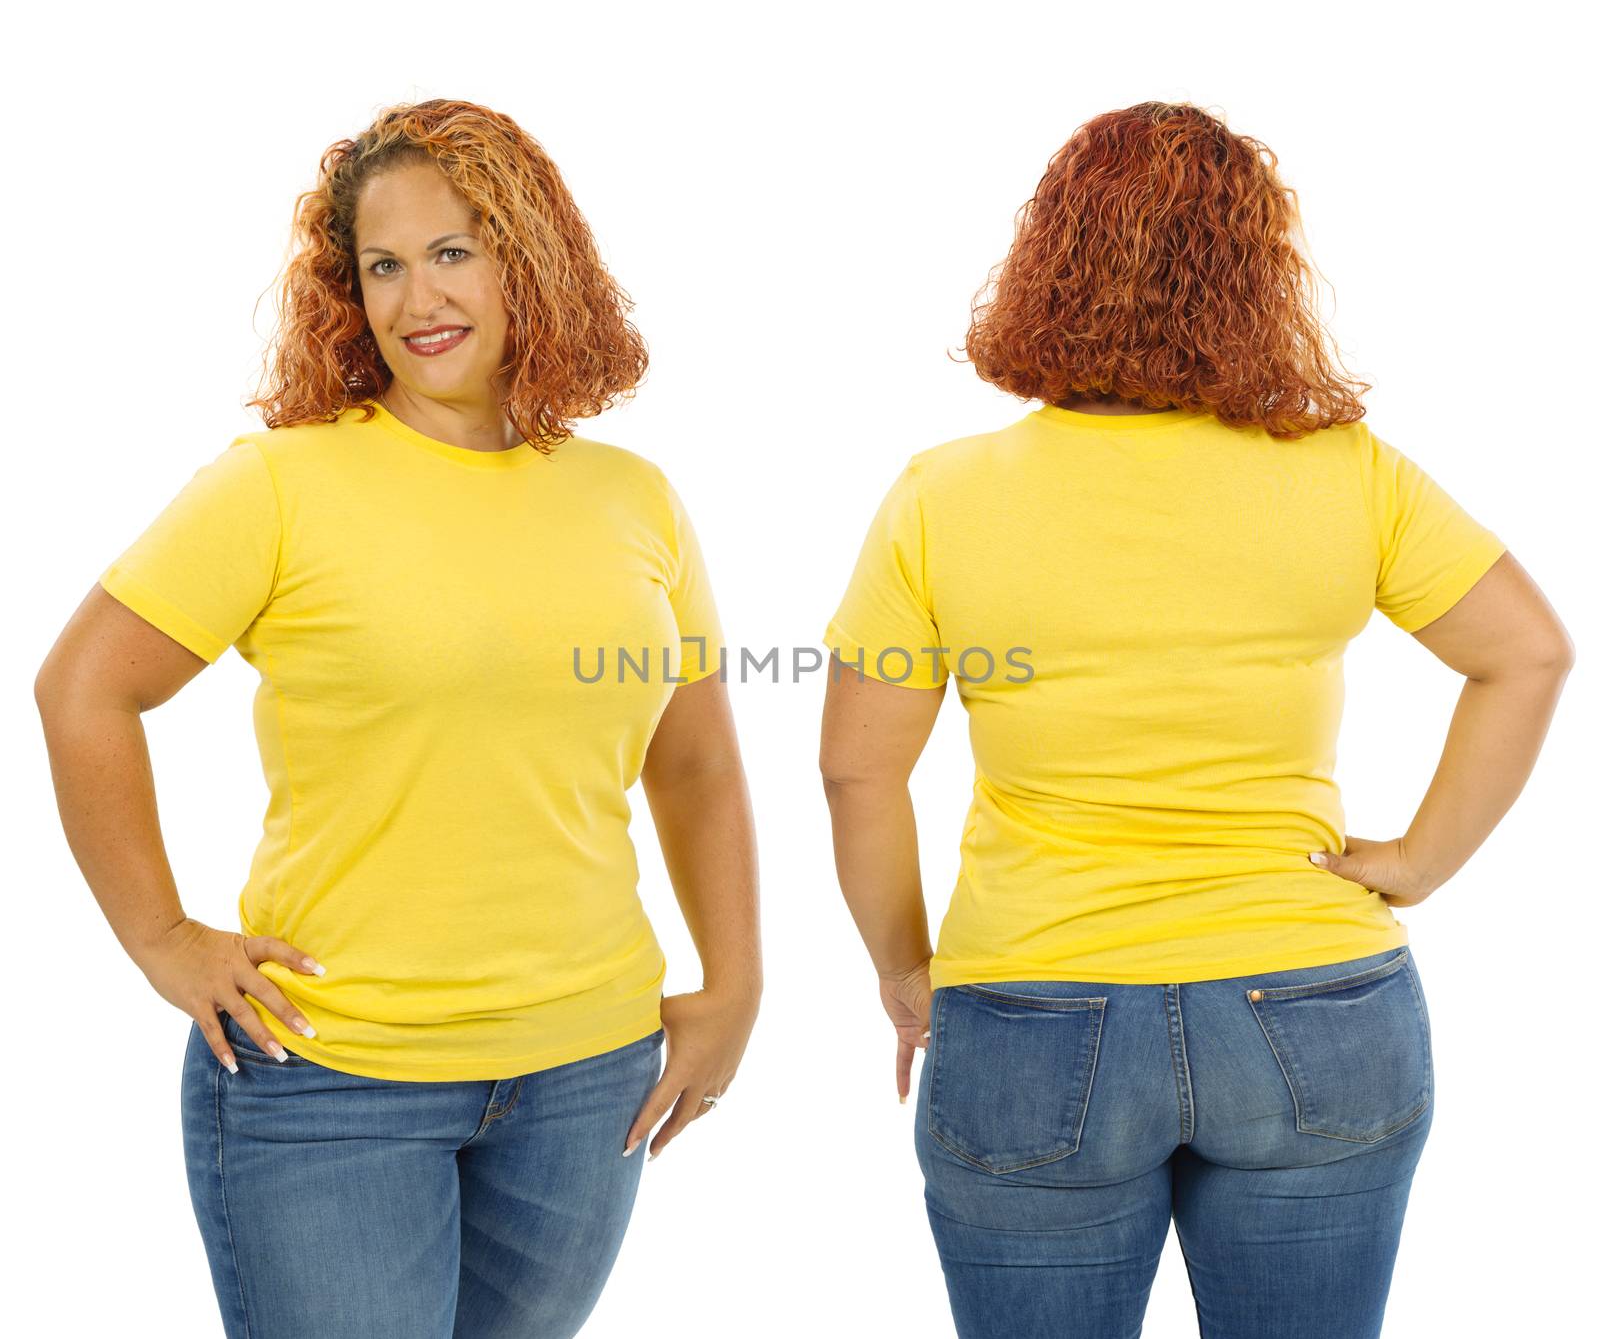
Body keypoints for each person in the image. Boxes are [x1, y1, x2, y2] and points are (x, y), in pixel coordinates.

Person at [818, 100, 1573, 1339]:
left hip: (1031, 1008)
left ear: (1044, 262)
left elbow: (857, 772)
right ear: (1255, 277)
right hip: (1313, 1001)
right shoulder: (1345, 471)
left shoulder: (943, 495)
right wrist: (1415, 865)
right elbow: (1528, 653)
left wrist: (908, 974)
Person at [34, 98, 761, 1339]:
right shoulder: (279, 484)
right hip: (332, 1080)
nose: (417, 295)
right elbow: (83, 688)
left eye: (452, 251)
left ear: (530, 256)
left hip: (585, 1081)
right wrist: (162, 936)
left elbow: (690, 761)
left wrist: (734, 984)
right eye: (382, 263)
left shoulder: (633, 499)